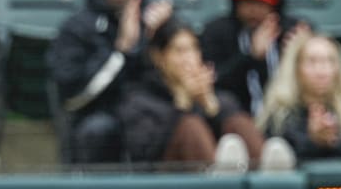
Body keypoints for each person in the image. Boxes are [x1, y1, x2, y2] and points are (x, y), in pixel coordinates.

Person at [48, 0, 175, 164]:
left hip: (151, 114)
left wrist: (157, 40)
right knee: (99, 130)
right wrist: (122, 50)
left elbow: (175, 88)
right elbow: (72, 95)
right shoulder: (77, 27)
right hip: (99, 117)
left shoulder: (161, 22)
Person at [118, 20, 284, 170]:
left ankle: (270, 173)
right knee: (190, 125)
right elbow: (145, 154)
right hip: (167, 182)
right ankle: (216, 180)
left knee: (237, 121)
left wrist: (209, 104)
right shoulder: (140, 97)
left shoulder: (219, 94)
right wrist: (182, 105)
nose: (189, 58)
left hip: (220, 165)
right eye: (180, 51)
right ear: (159, 57)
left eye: (194, 49)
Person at [200, 0, 311, 115]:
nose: (252, 9)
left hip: (287, 117)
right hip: (234, 116)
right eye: (245, 2)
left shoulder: (293, 31)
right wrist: (250, 57)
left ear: (275, 5)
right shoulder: (217, 31)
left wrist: (298, 53)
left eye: (261, 3)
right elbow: (213, 82)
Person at [257, 31, 341, 160]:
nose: (322, 70)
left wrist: (332, 142)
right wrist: (312, 141)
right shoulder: (279, 115)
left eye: (329, 61)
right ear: (296, 68)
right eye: (312, 62)